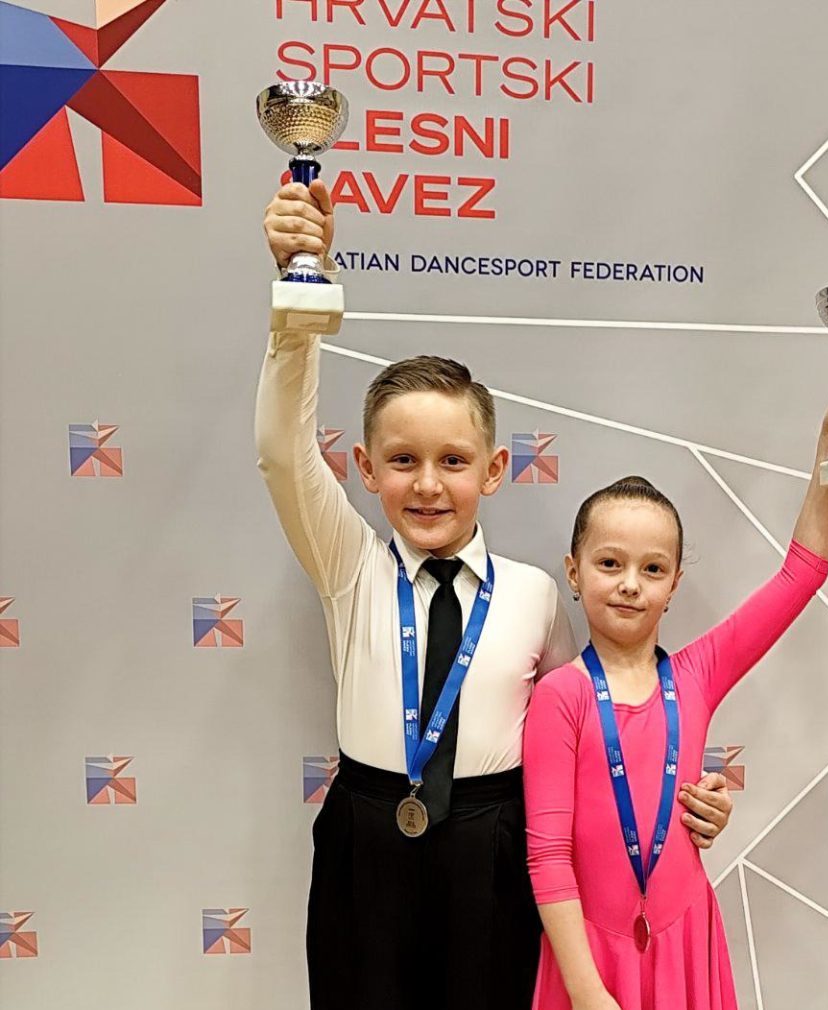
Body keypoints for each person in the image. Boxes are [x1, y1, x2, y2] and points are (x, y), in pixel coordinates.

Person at [256, 179, 736, 1010]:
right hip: (367, 835)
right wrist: (297, 304)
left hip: (494, 844)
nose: (428, 484)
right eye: (402, 461)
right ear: (364, 470)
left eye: (453, 461)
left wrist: (695, 799)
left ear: (494, 470)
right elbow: (280, 454)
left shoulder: (536, 595)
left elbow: (593, 732)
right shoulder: (348, 565)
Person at [523, 369, 828, 1009]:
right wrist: (586, 990)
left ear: (675, 585)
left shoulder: (695, 676)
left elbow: (802, 574)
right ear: (574, 573)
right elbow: (549, 857)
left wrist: (827, 454)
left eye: (652, 568)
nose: (630, 583)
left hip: (686, 949)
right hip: (588, 962)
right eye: (610, 563)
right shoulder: (562, 698)